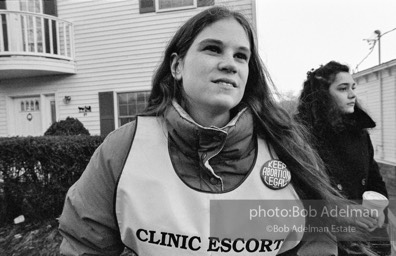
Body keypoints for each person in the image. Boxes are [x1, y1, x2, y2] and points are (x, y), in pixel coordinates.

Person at [59, 8, 373, 256]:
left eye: (241, 56)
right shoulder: (123, 149)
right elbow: (85, 244)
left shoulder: (286, 147)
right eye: (213, 49)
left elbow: (317, 237)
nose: (229, 64)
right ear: (177, 66)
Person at [296, 60, 391, 256]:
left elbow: (374, 178)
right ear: (323, 95)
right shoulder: (301, 138)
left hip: (367, 234)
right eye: (343, 88)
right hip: (326, 239)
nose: (352, 94)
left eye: (353, 87)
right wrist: (342, 214)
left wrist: (380, 209)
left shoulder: (359, 132)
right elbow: (298, 196)